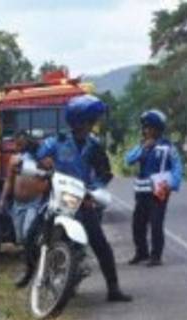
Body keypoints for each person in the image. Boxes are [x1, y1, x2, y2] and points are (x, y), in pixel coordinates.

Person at [35, 94, 132, 303]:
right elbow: (40, 158)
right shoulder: (57, 141)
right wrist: (43, 163)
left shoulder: (95, 146)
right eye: (91, 120)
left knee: (100, 244)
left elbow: (105, 173)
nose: (94, 124)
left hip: (83, 200)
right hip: (58, 198)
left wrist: (93, 192)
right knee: (35, 233)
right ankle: (33, 276)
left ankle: (113, 288)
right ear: (81, 121)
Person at [125, 109, 183, 267]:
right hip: (141, 191)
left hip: (159, 191)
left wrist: (171, 185)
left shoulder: (168, 147)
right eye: (144, 128)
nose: (146, 131)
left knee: (156, 224)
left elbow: (177, 168)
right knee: (138, 224)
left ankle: (156, 256)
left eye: (149, 127)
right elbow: (128, 160)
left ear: (158, 129)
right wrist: (143, 148)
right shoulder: (141, 146)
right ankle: (141, 252)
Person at [0, 129, 49, 287]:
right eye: (16, 142)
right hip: (18, 205)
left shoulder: (41, 158)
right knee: (20, 239)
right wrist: (2, 199)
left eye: (21, 142)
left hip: (34, 203)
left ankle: (36, 270)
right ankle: (33, 265)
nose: (18, 145)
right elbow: (8, 181)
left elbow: (50, 175)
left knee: (28, 234)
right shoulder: (14, 159)